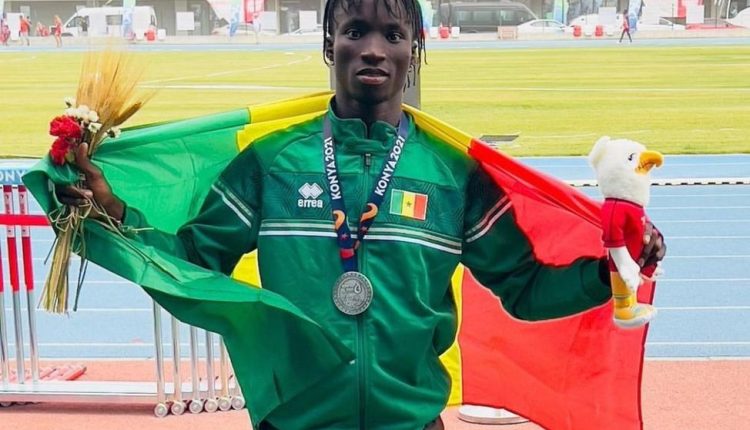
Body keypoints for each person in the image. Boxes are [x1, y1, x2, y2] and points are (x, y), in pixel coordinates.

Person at [57, 0, 666, 428]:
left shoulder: (454, 176)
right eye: (355, 31)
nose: (374, 48)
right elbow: (193, 262)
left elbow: (525, 289)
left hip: (413, 423)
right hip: (295, 423)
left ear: (414, 51)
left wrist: (609, 270)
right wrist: (114, 213)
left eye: (393, 35)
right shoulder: (271, 162)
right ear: (330, 44)